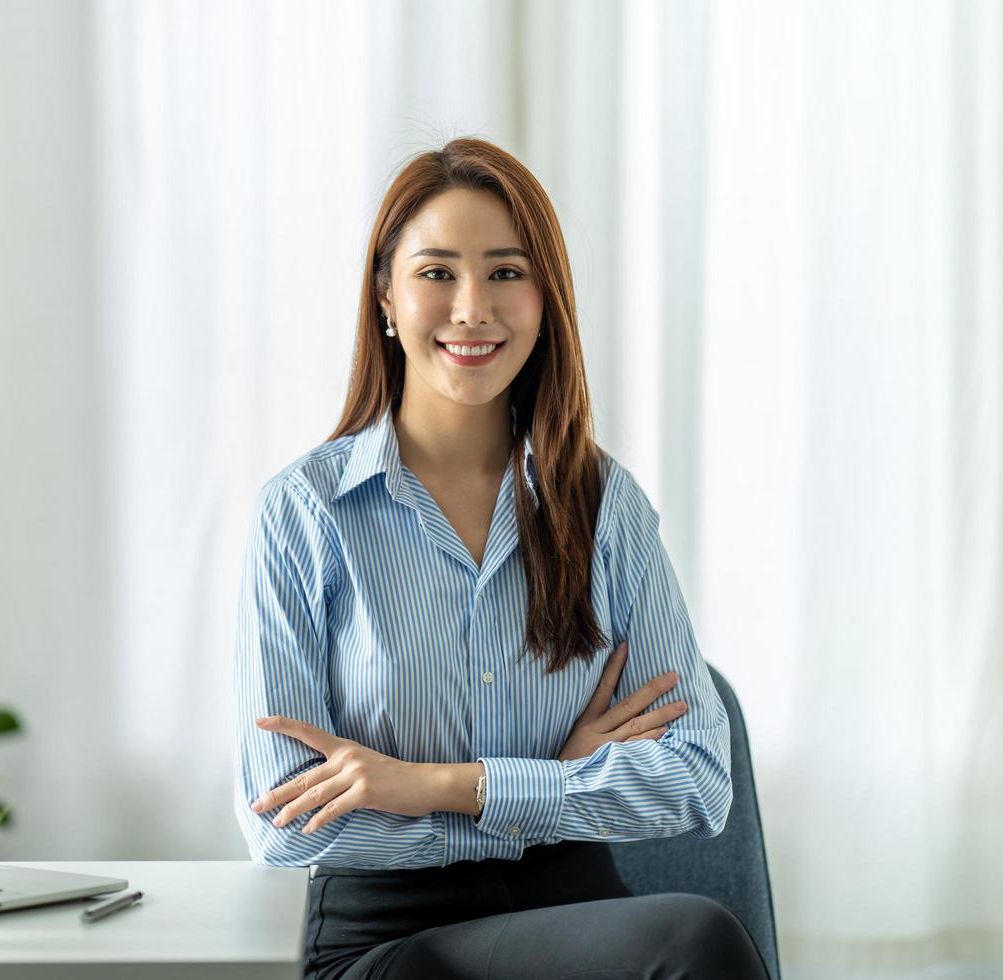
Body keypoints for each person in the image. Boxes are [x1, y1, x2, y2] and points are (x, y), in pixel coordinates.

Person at [232, 138, 770, 979]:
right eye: (438, 273)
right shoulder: (305, 513)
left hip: (576, 915)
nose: (473, 308)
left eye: (507, 273)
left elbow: (700, 778)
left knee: (694, 943)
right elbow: (282, 821)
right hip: (390, 944)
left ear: (546, 298)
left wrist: (439, 785)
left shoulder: (604, 506)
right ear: (385, 296)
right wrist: (550, 784)